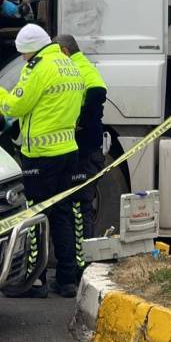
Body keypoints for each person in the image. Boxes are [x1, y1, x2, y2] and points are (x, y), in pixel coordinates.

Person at [0, 24, 85, 298]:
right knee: (62, 214)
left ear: (29, 50)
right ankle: (68, 278)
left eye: (24, 54)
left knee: (35, 216)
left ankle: (34, 281)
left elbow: (17, 106)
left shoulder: (38, 67)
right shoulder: (68, 63)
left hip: (41, 156)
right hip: (68, 151)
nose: (24, 59)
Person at [54, 34, 108, 278]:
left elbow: (97, 93)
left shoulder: (77, 66)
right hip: (86, 146)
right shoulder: (81, 65)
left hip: (84, 148)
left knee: (80, 208)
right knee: (78, 208)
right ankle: (79, 267)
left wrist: (81, 122)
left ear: (64, 51)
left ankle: (81, 269)